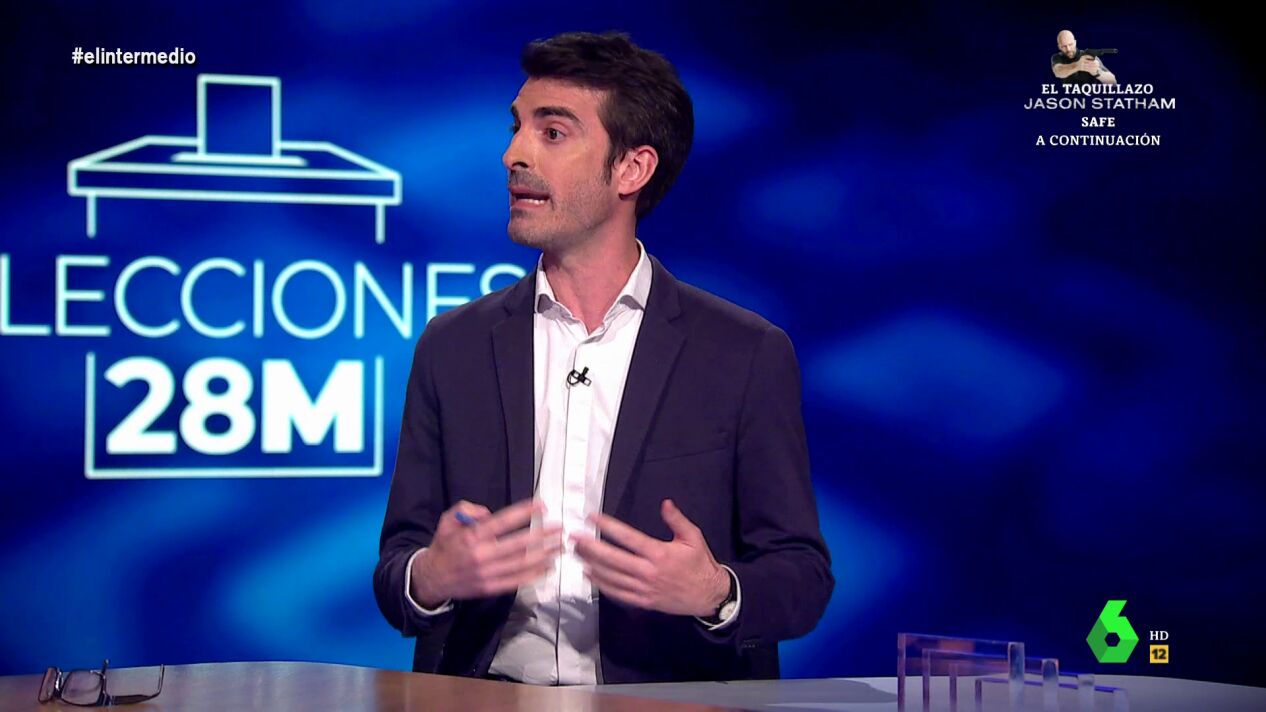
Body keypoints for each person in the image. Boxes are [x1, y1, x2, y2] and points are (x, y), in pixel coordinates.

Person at [373, 30, 833, 685]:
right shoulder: (453, 346)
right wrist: (432, 576)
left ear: (631, 169)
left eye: (552, 132)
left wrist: (715, 592)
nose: (512, 154)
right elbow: (398, 565)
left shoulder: (745, 353)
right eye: (516, 127)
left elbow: (803, 577)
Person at [1051, 30, 1117, 85]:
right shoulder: (1057, 57)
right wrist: (1078, 66)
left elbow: (1113, 82)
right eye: (1064, 46)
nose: (1068, 49)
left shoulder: (1087, 55)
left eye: (1070, 44)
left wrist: (1097, 72)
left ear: (1075, 42)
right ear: (1059, 47)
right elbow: (1057, 72)